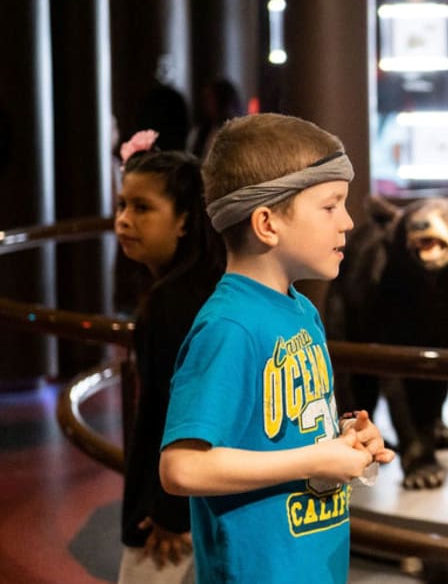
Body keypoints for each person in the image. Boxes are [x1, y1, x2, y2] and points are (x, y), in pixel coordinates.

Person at [159, 113, 394, 583]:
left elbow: (280, 428)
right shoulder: (230, 327)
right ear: (267, 223)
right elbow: (181, 467)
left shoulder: (301, 310)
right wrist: (315, 460)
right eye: (330, 206)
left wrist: (345, 438)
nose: (348, 222)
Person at [115, 131, 225, 583]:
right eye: (122, 205)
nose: (123, 220)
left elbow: (176, 412)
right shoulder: (198, 291)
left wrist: (168, 512)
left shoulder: (173, 304)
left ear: (185, 220)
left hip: (172, 513)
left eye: (142, 208)